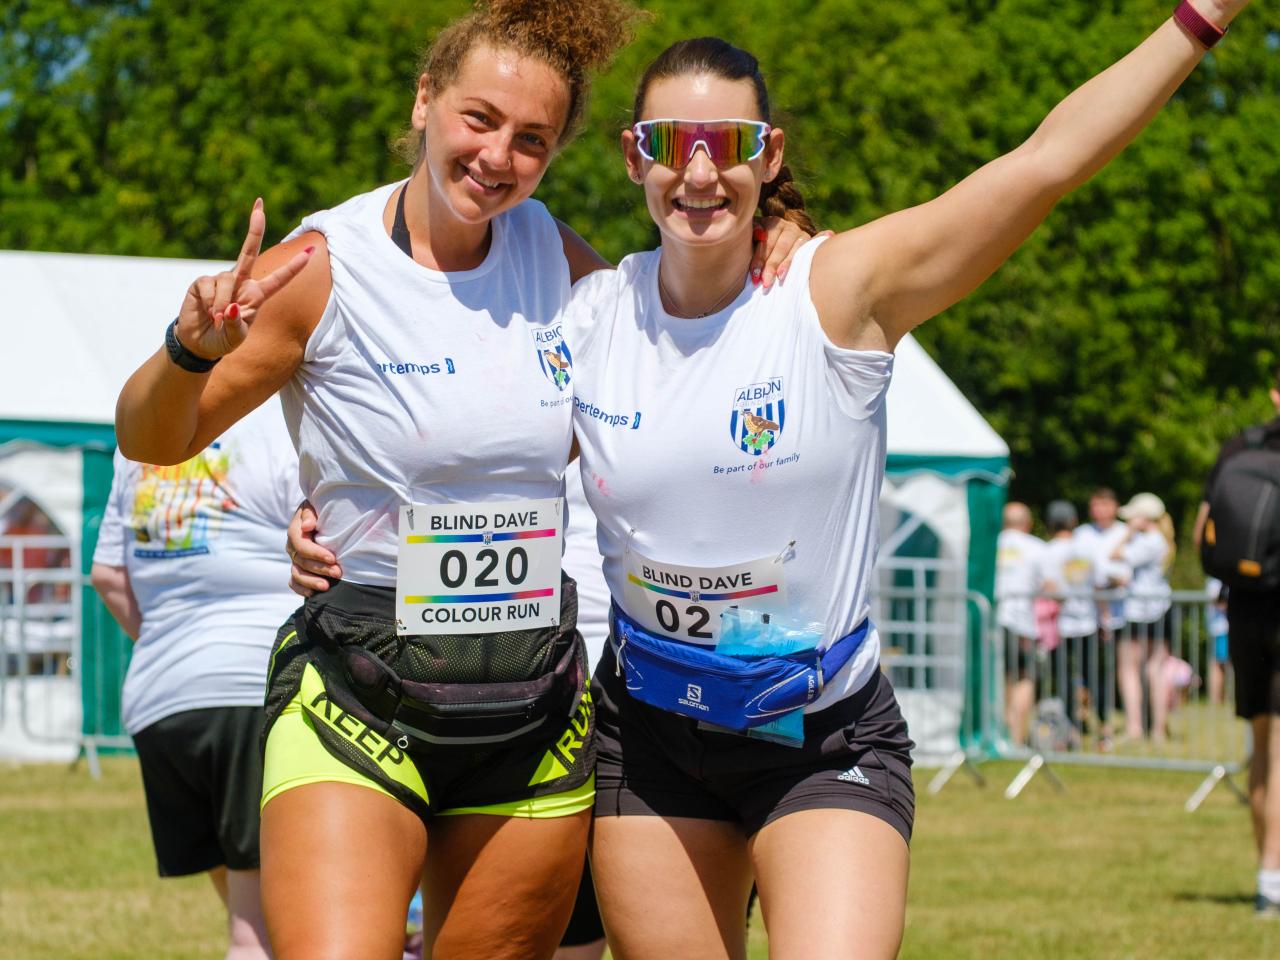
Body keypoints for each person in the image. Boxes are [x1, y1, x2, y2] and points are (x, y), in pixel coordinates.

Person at [114, 3, 809, 956]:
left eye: (532, 139)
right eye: (479, 119)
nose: (497, 156)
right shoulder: (322, 269)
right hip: (358, 687)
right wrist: (188, 349)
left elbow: (681, 343)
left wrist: (773, 237)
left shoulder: (558, 261)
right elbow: (153, 439)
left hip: (528, 705)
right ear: (425, 101)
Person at [561, 5, 1257, 955]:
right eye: (672, 143)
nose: (700, 172)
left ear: (770, 156)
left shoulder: (838, 290)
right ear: (633, 155)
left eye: (730, 143)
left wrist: (1201, 18)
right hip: (650, 741)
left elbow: (1043, 163)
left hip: (821, 742)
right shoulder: (592, 314)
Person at [90, 401, 300, 960]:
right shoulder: (280, 422)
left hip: (162, 702)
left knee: (261, 914)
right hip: (255, 689)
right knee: (256, 935)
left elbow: (106, 575)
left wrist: (173, 642)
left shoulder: (140, 437)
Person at [1195, 369, 1280, 917]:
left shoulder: (1241, 446)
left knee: (1264, 743)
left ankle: (1268, 876)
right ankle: (1273, 879)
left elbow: (1204, 532)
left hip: (1247, 608)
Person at [1110, 492, 1175, 742]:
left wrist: (1128, 533)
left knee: (1132, 670)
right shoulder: (1159, 540)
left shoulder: (1149, 541)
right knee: (1154, 669)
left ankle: (1136, 727)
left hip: (1141, 612)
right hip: (1155, 610)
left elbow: (1115, 554)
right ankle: (1156, 728)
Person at [1037, 499, 1099, 739]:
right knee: (1092, 674)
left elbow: (1049, 586)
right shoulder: (1087, 548)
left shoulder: (1048, 550)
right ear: (1073, 521)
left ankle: (1071, 725)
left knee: (1061, 676)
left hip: (1059, 625)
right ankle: (1102, 725)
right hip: (1088, 619)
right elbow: (1099, 581)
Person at [996, 502, 1047, 746]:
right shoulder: (1037, 547)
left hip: (991, 618)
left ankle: (1003, 732)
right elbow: (1050, 584)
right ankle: (1015, 736)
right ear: (1028, 523)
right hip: (1020, 622)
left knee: (1001, 677)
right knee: (1025, 677)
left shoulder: (991, 544)